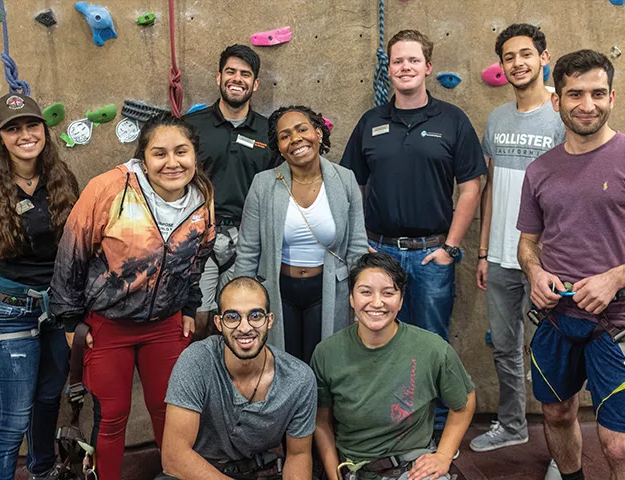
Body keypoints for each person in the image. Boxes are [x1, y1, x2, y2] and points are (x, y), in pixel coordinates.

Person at [50, 113, 216, 480]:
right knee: (112, 416)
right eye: (160, 153)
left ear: (194, 155)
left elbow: (199, 254)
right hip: (108, 325)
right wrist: (68, 320)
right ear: (143, 157)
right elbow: (71, 253)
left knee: (169, 412)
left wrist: (189, 304)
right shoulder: (109, 188)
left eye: (181, 152)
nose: (172, 162)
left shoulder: (202, 194)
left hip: (166, 324)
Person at [340, 29, 486, 435]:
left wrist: (451, 248)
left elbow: (472, 185)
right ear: (390, 68)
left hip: (430, 256)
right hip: (380, 256)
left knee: (432, 346)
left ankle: (437, 432)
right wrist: (361, 241)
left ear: (428, 68)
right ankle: (391, 428)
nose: (404, 67)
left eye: (412, 60)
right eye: (397, 61)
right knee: (378, 344)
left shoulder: (452, 121)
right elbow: (352, 184)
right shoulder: (372, 122)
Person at [517, 50, 625, 480]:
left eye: (598, 93)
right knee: (558, 414)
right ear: (556, 100)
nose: (587, 104)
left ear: (612, 97)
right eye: (575, 94)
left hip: (616, 320)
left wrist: (615, 278)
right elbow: (528, 242)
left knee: (617, 442)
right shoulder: (541, 169)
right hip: (557, 318)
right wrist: (535, 272)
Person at [471, 24, 566, 454]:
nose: (517, 63)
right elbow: (491, 188)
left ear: (544, 57)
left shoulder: (563, 116)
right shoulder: (496, 118)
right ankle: (512, 426)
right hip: (503, 258)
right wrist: (485, 251)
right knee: (506, 350)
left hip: (550, 261)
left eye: (526, 54)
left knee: (554, 356)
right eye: (509, 57)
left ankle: (561, 451)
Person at [311, 252, 475, 480]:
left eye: (388, 293)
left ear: (401, 299)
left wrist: (444, 456)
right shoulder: (327, 352)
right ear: (351, 298)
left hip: (413, 468)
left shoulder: (432, 348)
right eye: (365, 292)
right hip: (356, 470)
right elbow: (322, 423)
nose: (376, 303)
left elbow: (465, 402)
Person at [0, 93, 78, 480]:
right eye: (13, 128)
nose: (25, 134)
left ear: (44, 129)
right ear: (0, 137)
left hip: (58, 308)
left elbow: (79, 244)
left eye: (32, 125)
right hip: (11, 311)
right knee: (9, 422)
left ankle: (42, 471)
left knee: (47, 400)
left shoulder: (62, 177)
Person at [235, 105, 368, 363]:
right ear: (279, 147)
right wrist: (244, 301)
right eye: (285, 136)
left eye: (302, 129)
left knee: (324, 364)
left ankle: (320, 406)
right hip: (278, 289)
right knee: (283, 364)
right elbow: (248, 249)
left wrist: (359, 294)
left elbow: (357, 245)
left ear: (318, 133)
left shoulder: (345, 179)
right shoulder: (263, 184)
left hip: (330, 289)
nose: (295, 139)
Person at [158, 276, 316, 480]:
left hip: (263, 471)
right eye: (233, 317)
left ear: (269, 320)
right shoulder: (196, 360)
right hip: (199, 472)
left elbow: (299, 454)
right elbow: (174, 457)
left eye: (255, 316)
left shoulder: (299, 379)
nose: (244, 327)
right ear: (219, 323)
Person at [183, 44, 277, 339]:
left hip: (249, 239)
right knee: (196, 320)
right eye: (231, 72)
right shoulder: (191, 127)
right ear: (218, 77)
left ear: (255, 84)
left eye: (245, 74)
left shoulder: (269, 133)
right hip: (200, 236)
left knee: (241, 320)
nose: (237, 79)